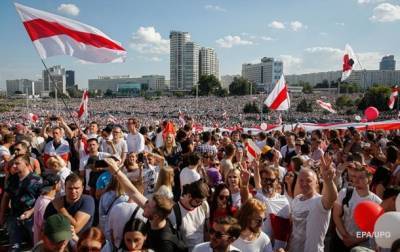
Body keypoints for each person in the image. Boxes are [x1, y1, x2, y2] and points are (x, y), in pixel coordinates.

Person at [105, 157, 186, 252]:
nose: (144, 204)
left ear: (155, 216)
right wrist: (116, 171)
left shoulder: (165, 243)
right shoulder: (155, 214)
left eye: (148, 205)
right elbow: (133, 192)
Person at [288, 155, 338, 252]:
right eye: (301, 180)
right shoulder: (296, 200)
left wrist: (329, 181)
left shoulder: (319, 202)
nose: (304, 183)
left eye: (309, 181)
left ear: (316, 183)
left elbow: (332, 198)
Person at [332, 162, 382, 251]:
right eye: (354, 177)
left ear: (369, 180)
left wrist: (354, 240)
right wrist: (345, 236)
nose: (356, 180)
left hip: (359, 245)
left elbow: (373, 229)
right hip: (339, 238)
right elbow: (336, 215)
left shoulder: (377, 202)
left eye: (361, 177)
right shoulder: (345, 192)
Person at [0, 155, 43, 251]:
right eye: (13, 163)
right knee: (14, 247)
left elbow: (42, 200)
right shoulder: (12, 179)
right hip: (14, 217)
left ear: (27, 164)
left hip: (31, 219)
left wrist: (31, 212)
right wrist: (2, 215)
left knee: (37, 245)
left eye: (17, 163)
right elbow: (6, 197)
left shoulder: (37, 180)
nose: (14, 166)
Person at [169, 179, 210, 251]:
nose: (200, 204)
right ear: (189, 196)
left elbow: (206, 229)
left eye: (202, 201)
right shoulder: (174, 212)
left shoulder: (204, 205)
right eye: (197, 201)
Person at [33, 173, 61, 244]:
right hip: (44, 244)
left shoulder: (41, 199)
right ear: (56, 185)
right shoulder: (46, 203)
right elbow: (44, 226)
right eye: (60, 183)